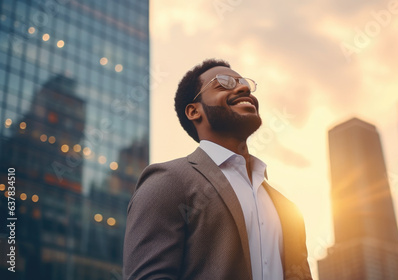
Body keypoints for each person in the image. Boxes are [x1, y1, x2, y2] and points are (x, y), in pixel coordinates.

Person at [123, 59, 312, 280]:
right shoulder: (168, 182)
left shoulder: (288, 209)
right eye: (223, 83)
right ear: (194, 111)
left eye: (244, 84)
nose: (243, 88)